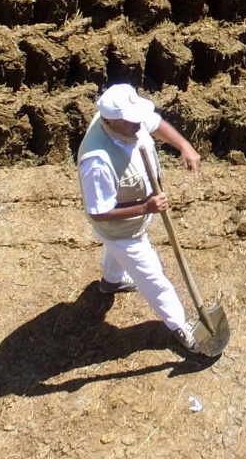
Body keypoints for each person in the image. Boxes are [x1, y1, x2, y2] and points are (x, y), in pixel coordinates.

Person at [77, 83, 205, 353]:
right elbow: (99, 211)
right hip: (121, 230)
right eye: (132, 123)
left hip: (133, 219)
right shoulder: (97, 161)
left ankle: (111, 282)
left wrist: (184, 145)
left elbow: (154, 122)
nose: (139, 126)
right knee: (154, 279)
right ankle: (181, 326)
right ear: (110, 121)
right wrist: (146, 207)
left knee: (116, 254)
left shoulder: (127, 120)